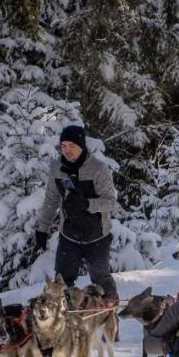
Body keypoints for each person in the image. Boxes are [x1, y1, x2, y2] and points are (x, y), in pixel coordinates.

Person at [34, 125, 119, 301]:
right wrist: (42, 230)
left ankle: (110, 317)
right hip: (69, 236)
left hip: (97, 236)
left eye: (72, 145)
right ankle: (65, 321)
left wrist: (88, 204)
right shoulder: (57, 168)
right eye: (63, 146)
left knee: (101, 280)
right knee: (61, 282)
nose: (67, 150)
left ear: (81, 146)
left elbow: (110, 201)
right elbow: (51, 200)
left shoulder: (98, 169)